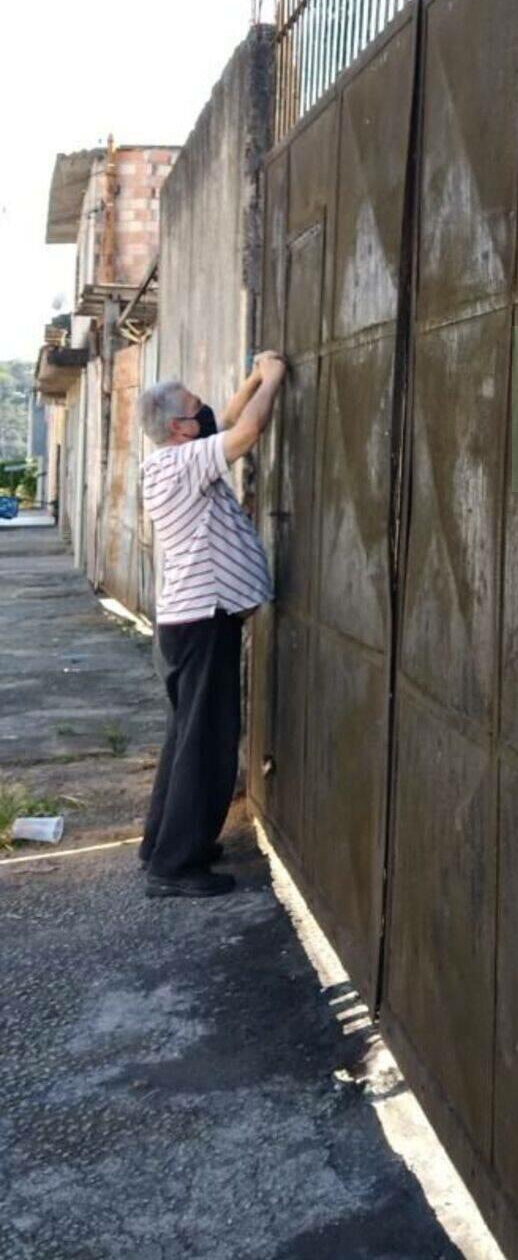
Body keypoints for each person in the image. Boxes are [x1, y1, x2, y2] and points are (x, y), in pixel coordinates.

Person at [136, 353, 286, 898]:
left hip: (190, 622)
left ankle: (164, 845)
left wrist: (249, 378)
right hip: (203, 623)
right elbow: (245, 433)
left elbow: (223, 423)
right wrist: (272, 381)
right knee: (207, 742)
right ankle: (177, 867)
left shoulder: (175, 457)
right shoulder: (181, 464)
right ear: (179, 428)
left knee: (186, 739)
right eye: (194, 410)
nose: (203, 415)